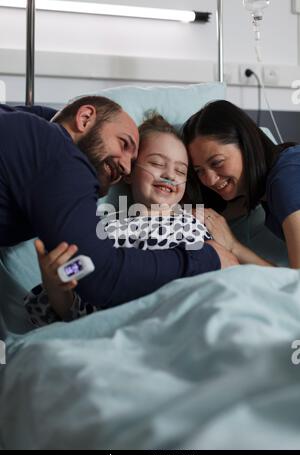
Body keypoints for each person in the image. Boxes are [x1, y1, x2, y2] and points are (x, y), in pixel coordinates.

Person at [0, 97, 238, 312]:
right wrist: (57, 285)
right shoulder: (102, 227)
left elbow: (230, 285)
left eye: (180, 170)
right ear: (83, 118)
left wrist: (228, 250)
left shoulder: (195, 225)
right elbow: (87, 291)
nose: (125, 164)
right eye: (124, 144)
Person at [182, 99, 300, 268]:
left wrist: (234, 247)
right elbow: (215, 215)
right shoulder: (265, 188)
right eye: (199, 170)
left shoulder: (286, 180)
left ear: (246, 145)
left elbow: (298, 285)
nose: (209, 180)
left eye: (217, 162)